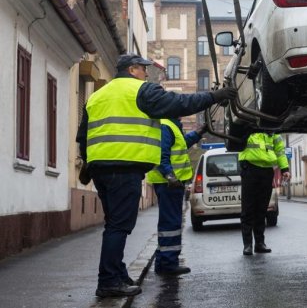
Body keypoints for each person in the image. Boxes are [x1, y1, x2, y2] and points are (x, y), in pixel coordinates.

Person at [76, 54, 236, 298]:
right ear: (132, 69)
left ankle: (117, 274)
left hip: (101, 168)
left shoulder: (97, 96)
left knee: (113, 224)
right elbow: (179, 103)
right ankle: (108, 281)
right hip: (124, 165)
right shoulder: (140, 90)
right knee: (119, 226)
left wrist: (87, 163)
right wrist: (214, 97)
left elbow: (82, 136)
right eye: (143, 68)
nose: (146, 73)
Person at [146, 118, 206, 276]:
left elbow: (181, 144)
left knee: (170, 222)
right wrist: (169, 175)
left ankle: (163, 261)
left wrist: (198, 133)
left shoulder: (171, 125)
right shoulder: (166, 125)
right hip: (169, 183)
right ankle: (168, 263)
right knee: (171, 223)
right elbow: (161, 155)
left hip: (171, 183)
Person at [239, 132, 291, 255]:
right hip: (249, 169)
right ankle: (247, 245)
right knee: (248, 209)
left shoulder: (272, 130)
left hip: (267, 171)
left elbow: (280, 151)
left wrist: (284, 169)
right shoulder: (248, 126)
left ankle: (259, 243)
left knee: (262, 209)